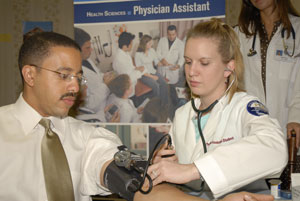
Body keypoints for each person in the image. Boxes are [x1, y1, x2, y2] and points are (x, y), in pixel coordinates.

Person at [0, 30, 275, 201]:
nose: (74, 86)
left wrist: (148, 171)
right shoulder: (182, 115)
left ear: (229, 68)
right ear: (30, 74)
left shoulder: (86, 135)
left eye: (78, 77)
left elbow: (130, 179)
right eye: (64, 75)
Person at [147, 18, 288, 199]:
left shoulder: (244, 107)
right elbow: (179, 174)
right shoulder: (182, 114)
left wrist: (194, 170)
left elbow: (274, 148)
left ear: (228, 68)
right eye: (188, 62)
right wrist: (166, 167)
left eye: (204, 63)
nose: (191, 71)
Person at [234, 0, 300, 147]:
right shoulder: (241, 33)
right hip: (252, 131)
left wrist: (297, 117)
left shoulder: (298, 29)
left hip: (291, 128)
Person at [74, 27, 118, 122]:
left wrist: (105, 75)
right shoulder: (77, 74)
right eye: (87, 47)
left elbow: (96, 74)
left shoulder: (87, 60)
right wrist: (105, 85)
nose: (91, 49)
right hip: (96, 113)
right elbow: (88, 104)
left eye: (91, 46)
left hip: (104, 107)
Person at [135, 34, 170, 107]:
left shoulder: (152, 50)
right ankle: (156, 105)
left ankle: (164, 103)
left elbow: (156, 61)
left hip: (152, 71)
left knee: (164, 83)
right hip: (144, 75)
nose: (151, 44)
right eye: (149, 43)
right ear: (144, 43)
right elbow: (140, 70)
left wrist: (164, 64)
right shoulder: (138, 54)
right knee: (156, 86)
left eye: (151, 43)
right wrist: (152, 77)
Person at [112, 31, 145, 97]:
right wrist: (139, 71)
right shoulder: (120, 59)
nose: (132, 46)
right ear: (125, 46)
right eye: (131, 44)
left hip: (132, 86)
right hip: (126, 91)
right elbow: (128, 78)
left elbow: (130, 67)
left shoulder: (125, 53)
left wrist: (136, 68)